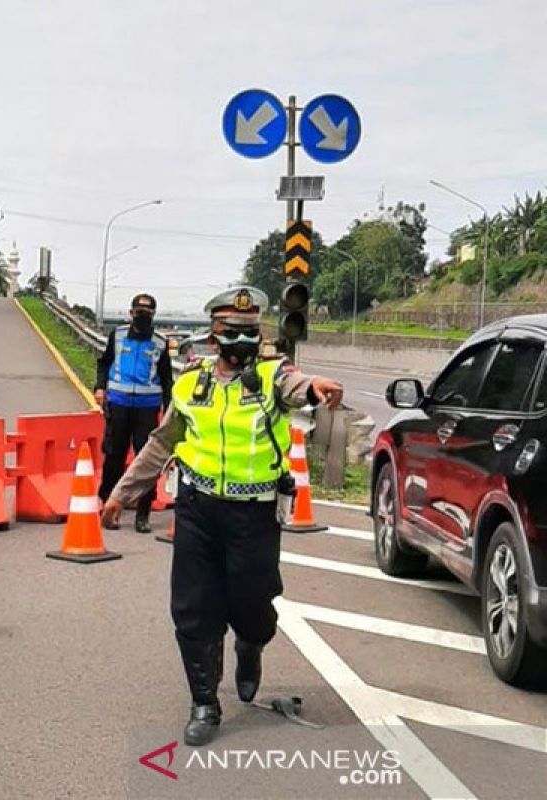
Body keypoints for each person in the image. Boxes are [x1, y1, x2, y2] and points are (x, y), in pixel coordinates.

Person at [101, 286, 343, 747]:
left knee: (254, 605)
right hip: (196, 511)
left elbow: (298, 385)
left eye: (251, 332)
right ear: (214, 337)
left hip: (253, 516)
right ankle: (205, 701)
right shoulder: (191, 384)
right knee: (193, 608)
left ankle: (250, 648)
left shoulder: (272, 376)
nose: (243, 341)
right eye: (233, 332)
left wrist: (315, 388)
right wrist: (122, 493)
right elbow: (161, 442)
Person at [94, 293, 172, 532]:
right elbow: (105, 362)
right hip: (118, 404)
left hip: (147, 409)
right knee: (114, 457)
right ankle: (106, 504)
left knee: (145, 461)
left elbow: (167, 379)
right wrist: (99, 387)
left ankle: (143, 514)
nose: (142, 318)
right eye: (139, 313)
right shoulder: (117, 336)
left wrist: (169, 410)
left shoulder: (159, 342)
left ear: (153, 316)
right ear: (130, 314)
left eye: (147, 314)